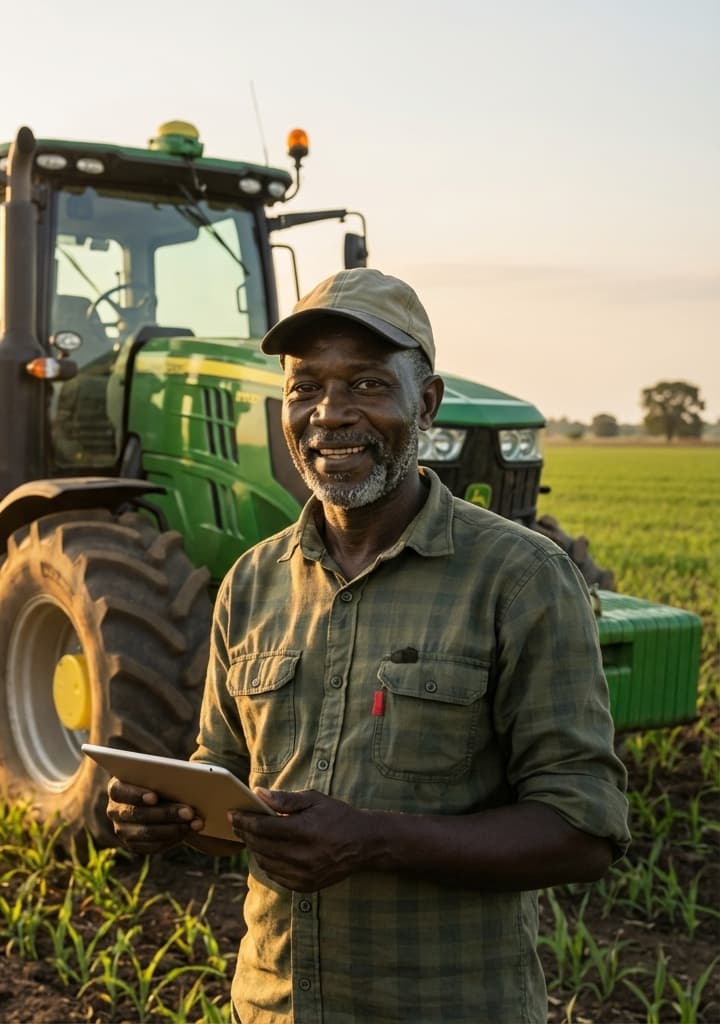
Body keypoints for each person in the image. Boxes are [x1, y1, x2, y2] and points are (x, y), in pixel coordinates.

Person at [107, 268, 630, 1024]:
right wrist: (175, 812)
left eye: (365, 386)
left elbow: (585, 830)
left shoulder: (520, 578)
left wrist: (375, 842)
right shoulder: (252, 582)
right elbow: (223, 776)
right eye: (304, 389)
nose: (329, 415)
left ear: (426, 402)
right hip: (272, 1005)